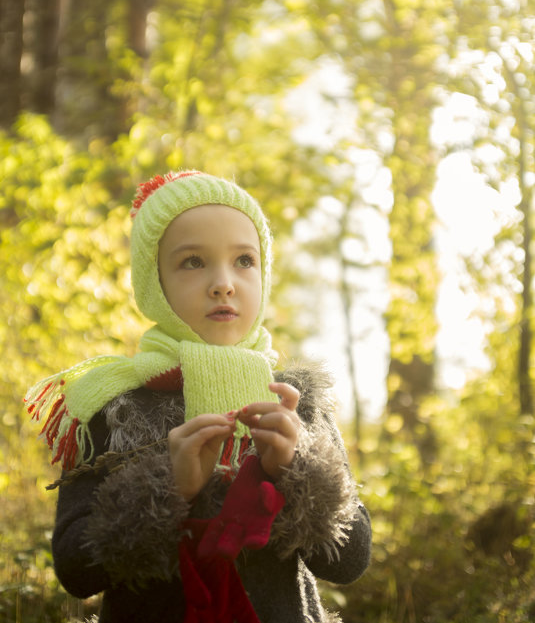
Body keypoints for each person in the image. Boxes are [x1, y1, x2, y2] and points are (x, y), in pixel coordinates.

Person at [25, 170, 371, 623]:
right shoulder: (113, 406)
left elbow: (350, 561)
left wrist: (297, 468)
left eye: (245, 261)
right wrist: (169, 489)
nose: (223, 283)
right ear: (154, 283)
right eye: (193, 262)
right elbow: (76, 571)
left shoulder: (296, 404)